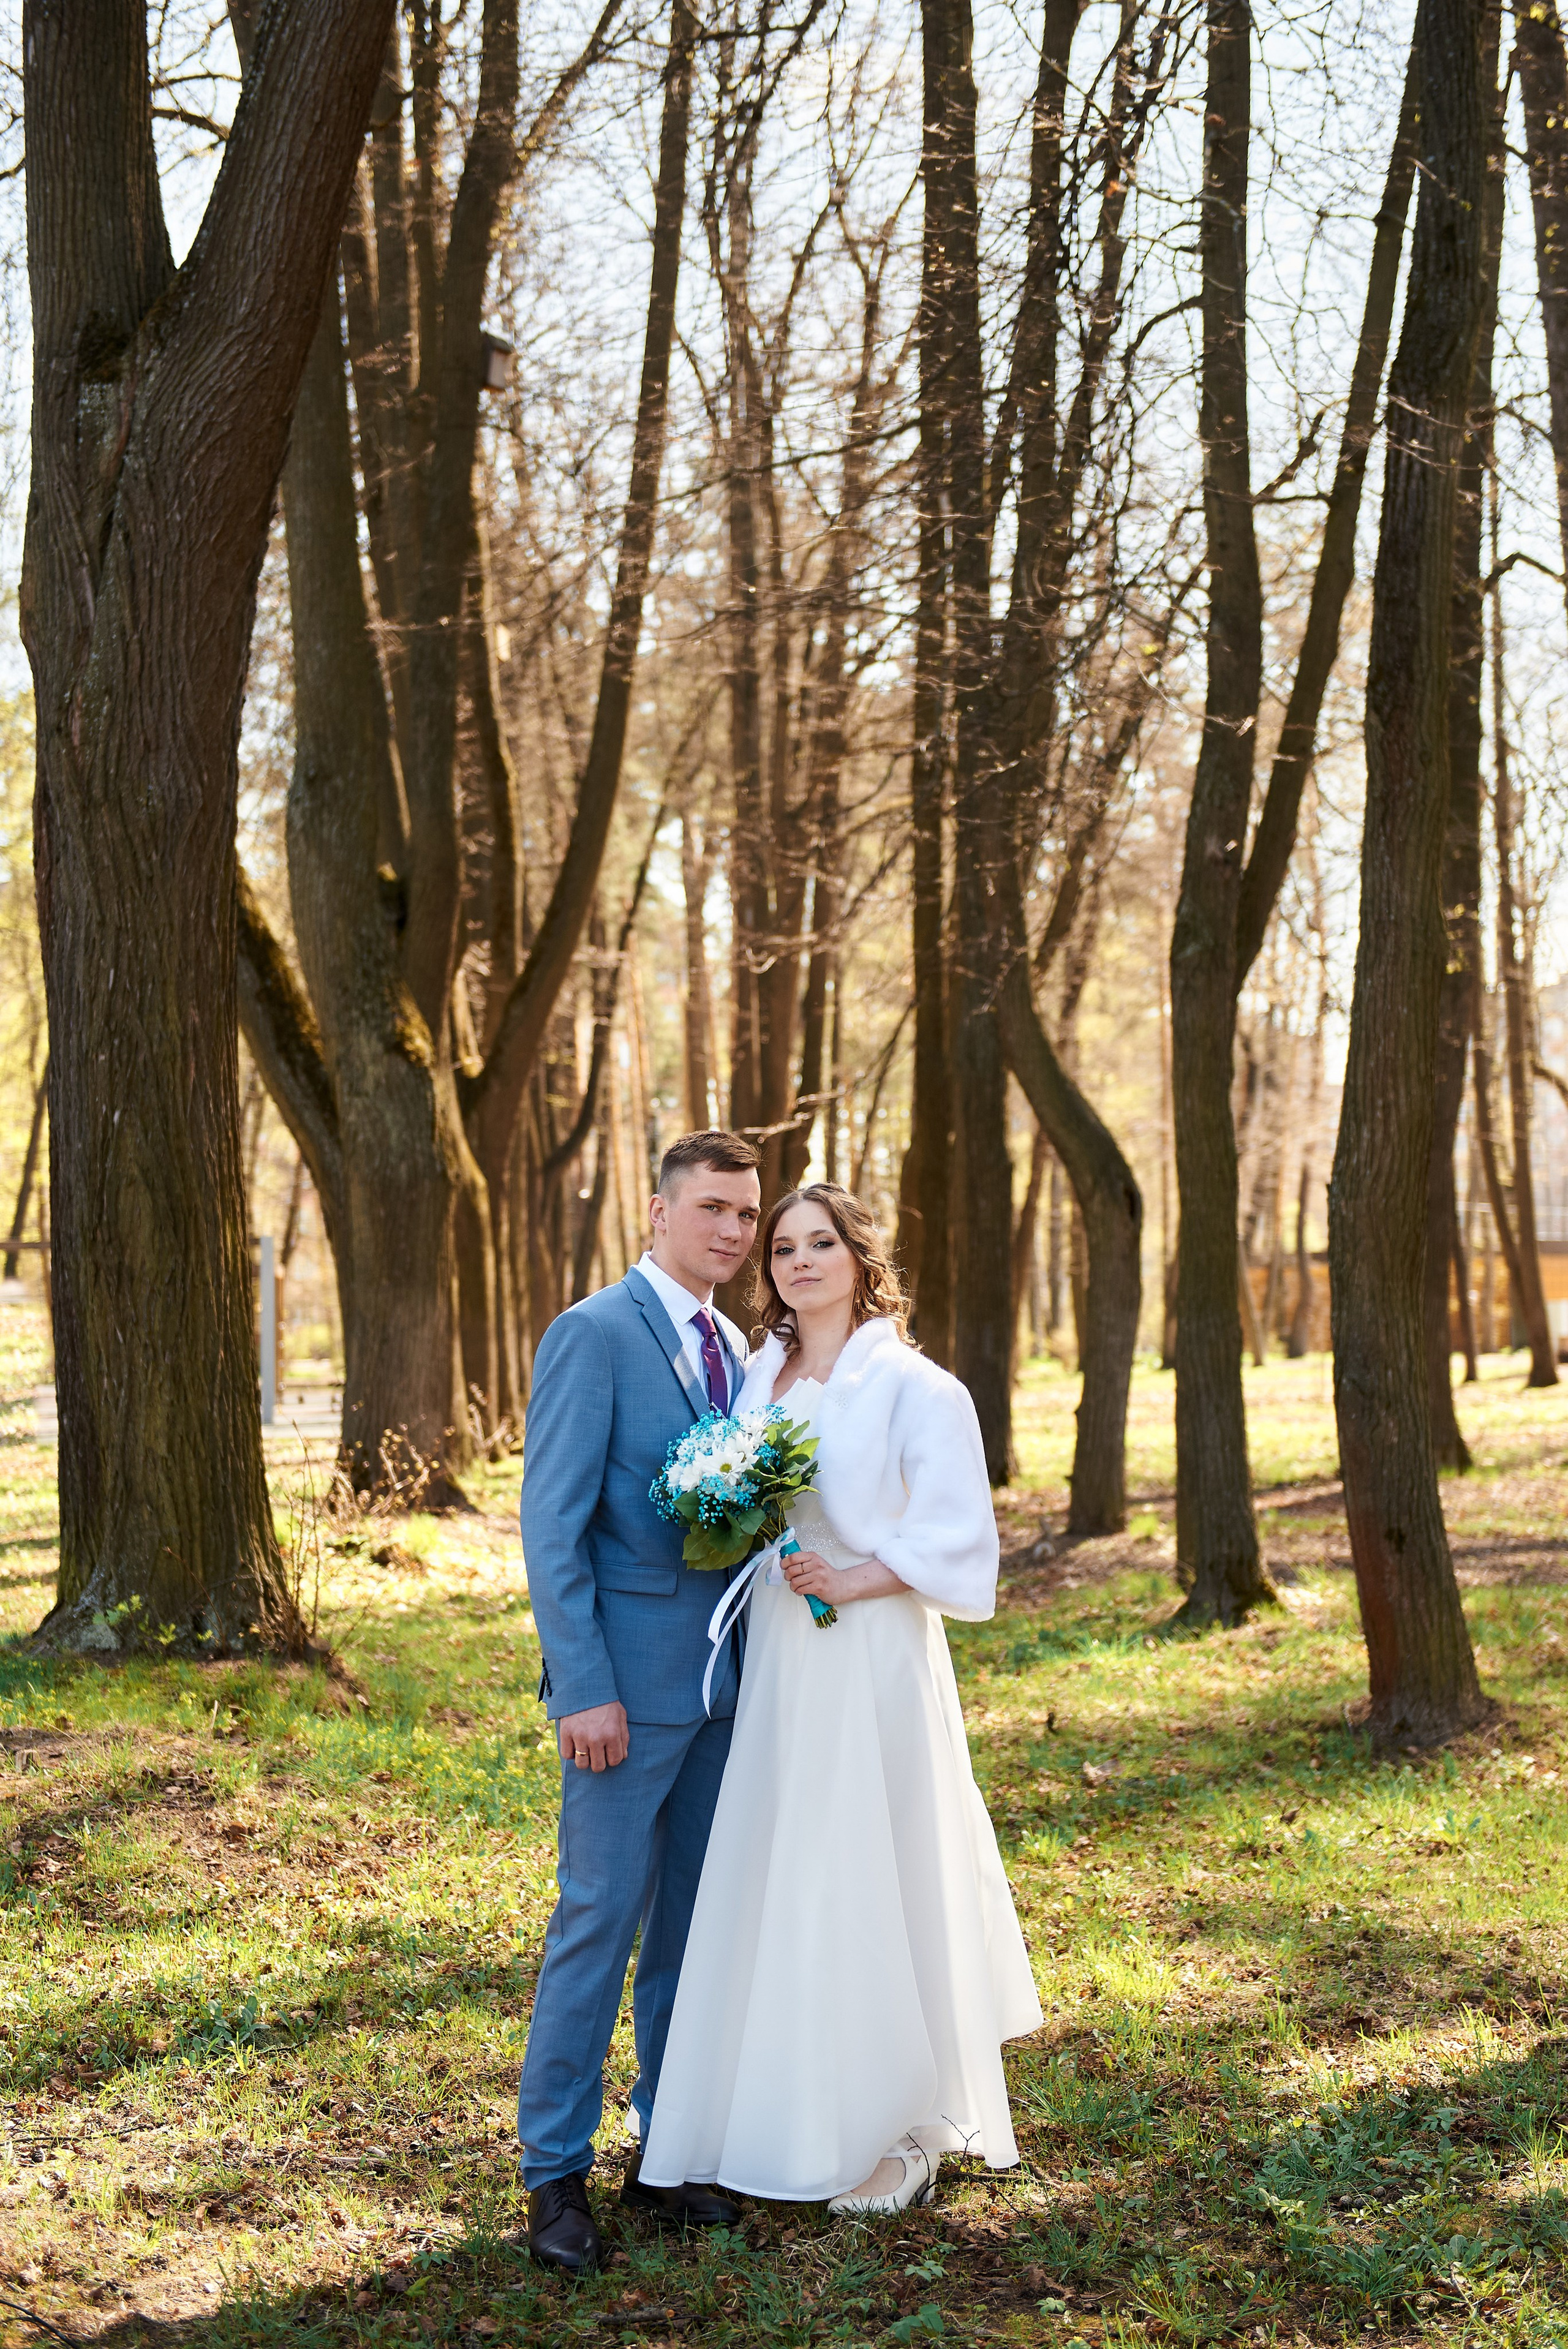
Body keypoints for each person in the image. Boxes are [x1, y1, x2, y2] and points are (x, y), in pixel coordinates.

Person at [640, 1183, 1042, 2213]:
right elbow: (739, 1498)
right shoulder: (757, 1375)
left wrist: (858, 1576)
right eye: (782, 1246)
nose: (798, 1260)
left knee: (874, 1863)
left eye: (822, 1243)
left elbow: (961, 1536)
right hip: (780, 1649)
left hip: (868, 1650)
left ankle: (907, 2127)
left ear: (862, 1258)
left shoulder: (917, 1387)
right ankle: (775, 2105)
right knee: (788, 1867)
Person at [516, 1129, 762, 2274]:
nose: (731, 1230)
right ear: (657, 1214)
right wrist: (585, 1688)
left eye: (745, 1215)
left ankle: (666, 2148)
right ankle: (553, 2175)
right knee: (598, 1923)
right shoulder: (596, 1334)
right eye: (710, 1207)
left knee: (693, 1931)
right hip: (625, 1697)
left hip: (729, 1690)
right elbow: (552, 1528)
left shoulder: (743, 1352)